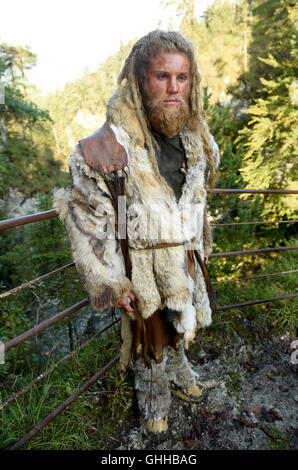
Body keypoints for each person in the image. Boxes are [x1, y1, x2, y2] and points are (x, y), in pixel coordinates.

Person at [54, 30, 220, 441]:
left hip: (185, 259)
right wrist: (112, 280)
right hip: (141, 267)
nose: (173, 88)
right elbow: (89, 220)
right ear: (139, 80)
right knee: (150, 347)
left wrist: (198, 245)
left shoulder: (197, 138)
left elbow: (197, 198)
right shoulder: (106, 148)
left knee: (181, 329)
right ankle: (154, 408)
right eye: (162, 77)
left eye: (182, 78)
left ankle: (183, 377)